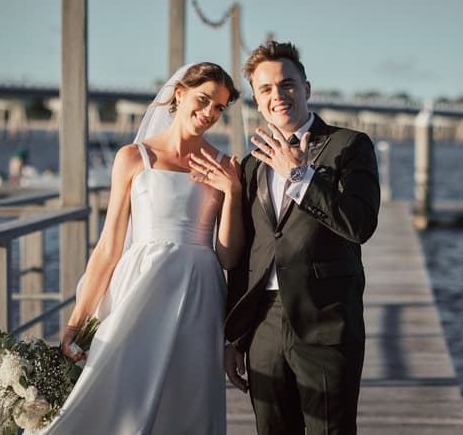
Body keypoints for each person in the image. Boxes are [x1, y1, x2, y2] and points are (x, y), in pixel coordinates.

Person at [37, 62, 243, 434]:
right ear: (178, 94)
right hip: (140, 289)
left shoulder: (225, 166)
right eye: (203, 100)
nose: (209, 113)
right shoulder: (134, 157)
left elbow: (228, 256)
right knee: (117, 393)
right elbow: (108, 247)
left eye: (219, 108)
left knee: (188, 400)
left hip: (200, 294)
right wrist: (76, 320)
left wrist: (232, 192)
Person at [224, 41, 381, 434]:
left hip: (327, 319)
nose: (278, 95)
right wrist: (233, 336)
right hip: (263, 324)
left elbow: (360, 225)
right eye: (266, 89)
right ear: (257, 103)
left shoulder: (349, 146)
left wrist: (301, 177)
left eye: (287, 84)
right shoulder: (250, 165)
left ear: (306, 88)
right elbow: (247, 255)